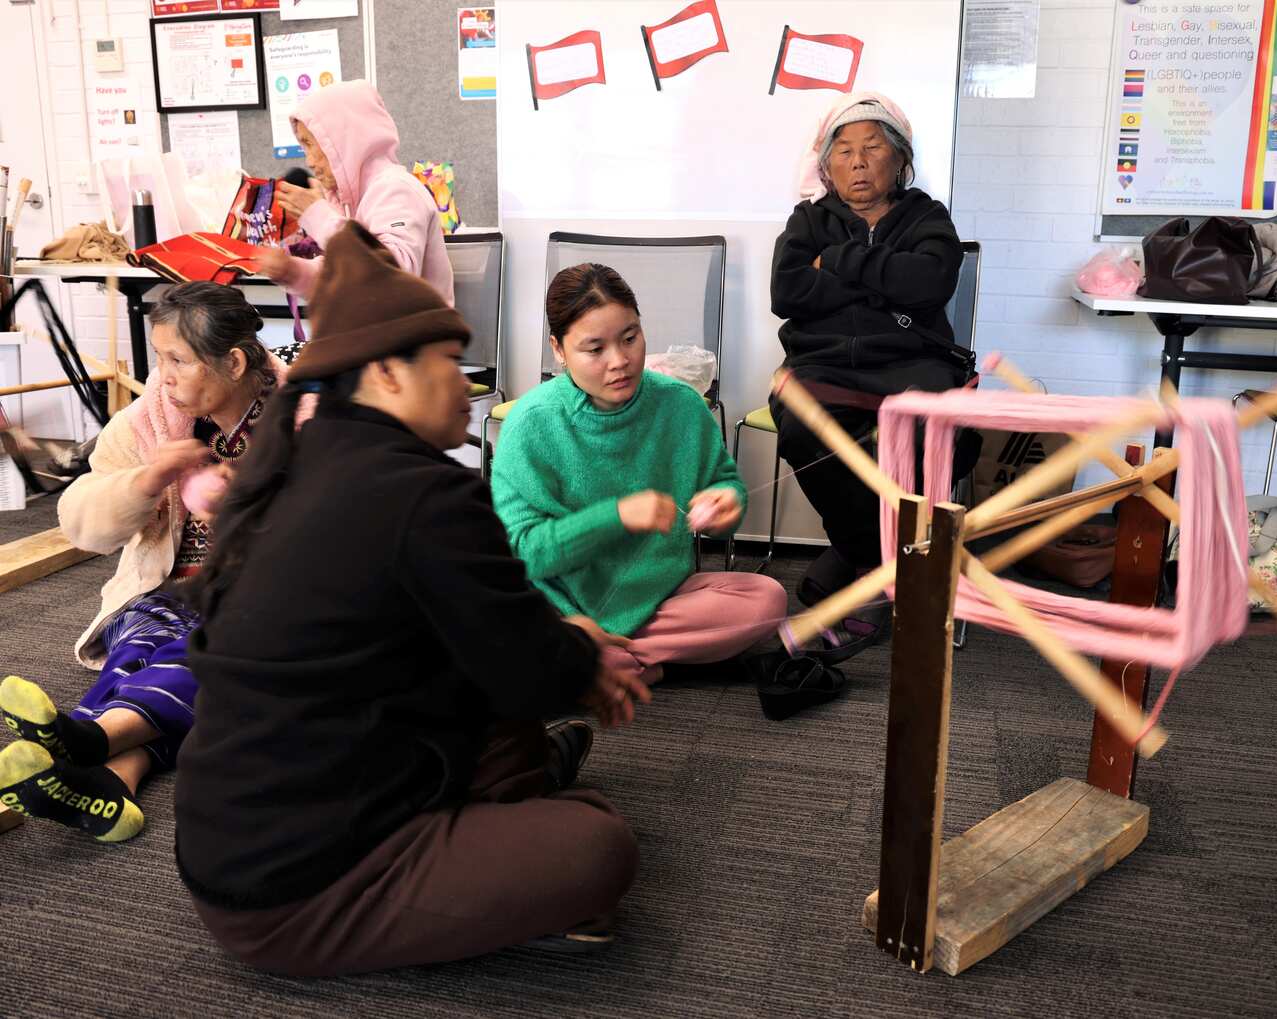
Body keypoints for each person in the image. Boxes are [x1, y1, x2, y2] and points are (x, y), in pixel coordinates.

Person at [175, 223, 650, 975]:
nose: (463, 384)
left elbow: (496, 637)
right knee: (599, 842)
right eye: (446, 365)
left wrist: (564, 642)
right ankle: (512, 853)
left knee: (512, 668)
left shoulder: (305, 463)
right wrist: (582, 656)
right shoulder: (420, 491)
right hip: (297, 891)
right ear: (388, 375)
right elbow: (532, 667)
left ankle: (502, 815)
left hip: (236, 843)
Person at [0, 282, 284, 842]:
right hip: (165, 593)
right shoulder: (150, 421)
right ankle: (114, 780)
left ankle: (84, 738)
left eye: (178, 359)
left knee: (208, 650)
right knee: (145, 642)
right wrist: (148, 479)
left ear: (232, 361)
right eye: (160, 359)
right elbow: (80, 523)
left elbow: (348, 532)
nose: (164, 375)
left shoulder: (304, 421)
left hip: (267, 602)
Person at [490, 263, 788, 686]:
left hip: (660, 599)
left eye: (630, 338)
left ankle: (599, 665)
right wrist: (619, 516)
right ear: (558, 349)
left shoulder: (682, 405)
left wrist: (727, 504)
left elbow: (724, 484)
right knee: (484, 628)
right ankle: (619, 661)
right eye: (594, 349)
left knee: (766, 599)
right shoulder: (532, 423)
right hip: (560, 605)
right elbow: (523, 553)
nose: (620, 361)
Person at [768, 92, 974, 654]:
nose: (858, 162)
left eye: (873, 148)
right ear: (827, 166)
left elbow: (930, 285)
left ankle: (865, 566)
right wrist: (888, 277)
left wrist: (837, 260)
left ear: (900, 160)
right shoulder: (808, 219)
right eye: (845, 151)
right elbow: (788, 292)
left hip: (914, 365)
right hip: (824, 365)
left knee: (935, 435)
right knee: (805, 428)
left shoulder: (927, 216)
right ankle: (880, 566)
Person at [253, 79, 454, 306]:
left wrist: (318, 216)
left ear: (341, 141)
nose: (308, 161)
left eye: (310, 144)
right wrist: (293, 272)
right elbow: (346, 275)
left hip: (413, 340)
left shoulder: (395, 190)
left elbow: (391, 278)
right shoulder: (349, 201)